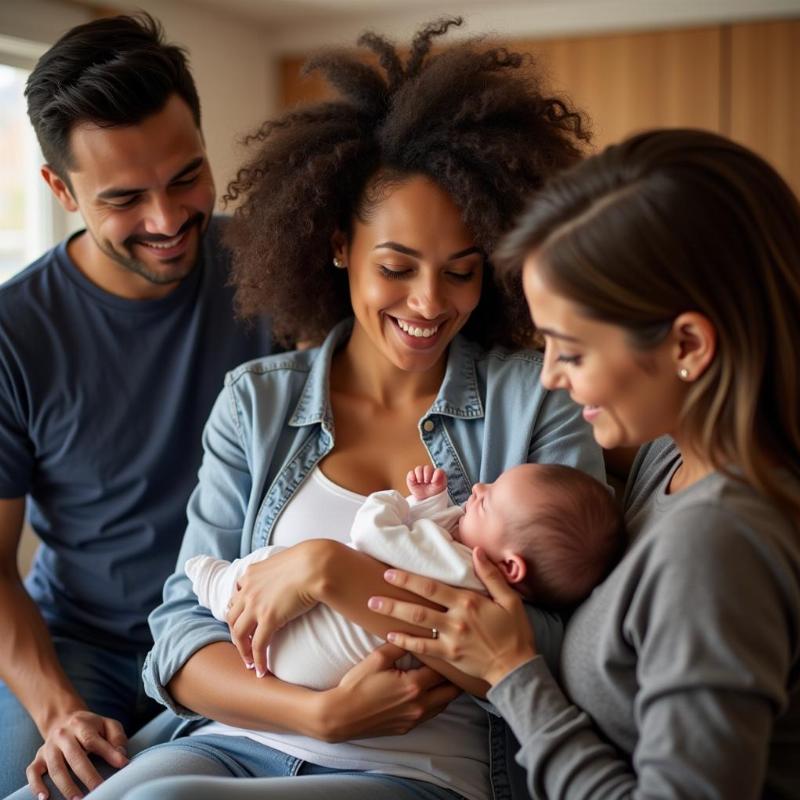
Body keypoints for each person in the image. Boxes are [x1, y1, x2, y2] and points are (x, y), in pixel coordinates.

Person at [69, 17, 605, 800]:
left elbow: (563, 650)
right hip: (231, 741)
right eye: (397, 266)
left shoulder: (536, 398)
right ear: (335, 245)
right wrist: (317, 714)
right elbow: (181, 635)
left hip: (417, 764)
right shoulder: (258, 401)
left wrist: (332, 571)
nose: (430, 303)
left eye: (461, 271)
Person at [367, 129, 800, 799]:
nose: (548, 379)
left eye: (570, 351)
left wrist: (515, 677)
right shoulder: (670, 460)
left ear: (687, 344)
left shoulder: (716, 545)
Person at [0, 13, 273, 800]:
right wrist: (58, 713)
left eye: (186, 176)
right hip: (83, 649)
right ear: (60, 190)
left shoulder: (274, 271)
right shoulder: (15, 334)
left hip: (242, 637)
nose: (166, 219)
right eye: (124, 198)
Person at [186, 462, 622, 688]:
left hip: (301, 647)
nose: (477, 487)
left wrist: (393, 501)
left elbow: (373, 535)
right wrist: (431, 503)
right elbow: (421, 543)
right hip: (317, 676)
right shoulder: (483, 589)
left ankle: (216, 582)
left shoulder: (457, 565)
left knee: (266, 565)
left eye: (487, 501)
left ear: (510, 566)